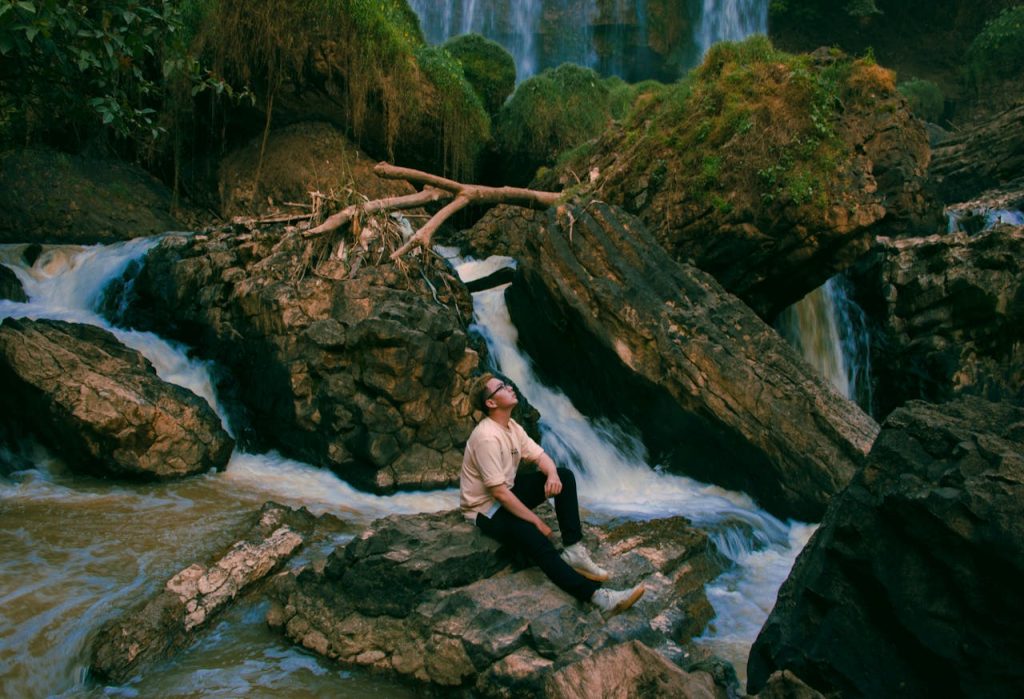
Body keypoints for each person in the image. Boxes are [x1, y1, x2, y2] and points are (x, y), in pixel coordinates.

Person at [460, 372, 645, 618]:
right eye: (501, 387)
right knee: (537, 540)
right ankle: (600, 598)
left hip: (505, 494)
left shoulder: (511, 426)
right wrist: (536, 521)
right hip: (485, 509)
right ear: (491, 403)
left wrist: (553, 476)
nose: (509, 387)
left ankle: (573, 549)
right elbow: (500, 495)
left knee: (565, 476)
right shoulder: (486, 437)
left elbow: (540, 457)